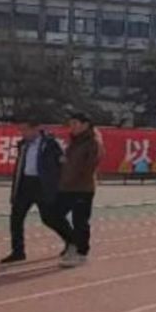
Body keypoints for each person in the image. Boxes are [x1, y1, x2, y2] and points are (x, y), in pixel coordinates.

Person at [42, 112, 101, 268]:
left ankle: (81, 253)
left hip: (83, 188)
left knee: (80, 221)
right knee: (50, 215)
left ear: (85, 125)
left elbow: (90, 166)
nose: (72, 127)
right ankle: (72, 241)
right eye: (70, 124)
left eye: (75, 123)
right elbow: (69, 162)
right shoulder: (74, 141)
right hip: (66, 187)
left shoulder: (93, 142)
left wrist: (73, 177)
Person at [2, 121, 65, 264]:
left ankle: (70, 240)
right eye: (21, 130)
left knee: (49, 218)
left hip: (42, 185)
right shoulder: (23, 145)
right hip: (25, 184)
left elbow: (61, 164)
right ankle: (18, 251)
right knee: (16, 217)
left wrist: (56, 184)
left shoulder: (50, 144)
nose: (23, 133)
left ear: (36, 129)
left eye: (25, 130)